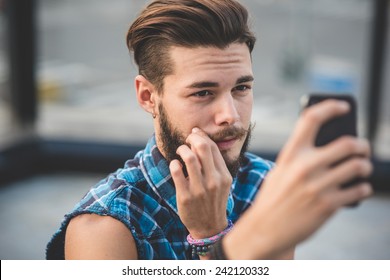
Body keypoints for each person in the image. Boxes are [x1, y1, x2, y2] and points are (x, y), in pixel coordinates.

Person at [46, 0, 372, 260]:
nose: (230, 116)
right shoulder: (104, 227)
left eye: (241, 88)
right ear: (148, 97)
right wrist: (210, 237)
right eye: (203, 93)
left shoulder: (265, 184)